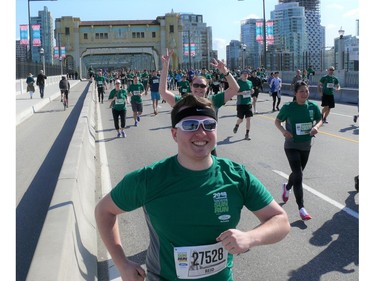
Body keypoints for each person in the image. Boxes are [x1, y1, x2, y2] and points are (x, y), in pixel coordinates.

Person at [95, 94, 290, 281]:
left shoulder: (237, 176)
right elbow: (104, 211)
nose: (201, 132)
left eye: (208, 125)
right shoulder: (149, 179)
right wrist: (122, 264)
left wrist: (250, 238)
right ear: (174, 134)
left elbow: (281, 221)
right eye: (190, 125)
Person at [159, 48, 240, 155]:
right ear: (191, 87)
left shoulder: (214, 100)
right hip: (189, 147)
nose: (199, 88)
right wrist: (165, 67)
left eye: (203, 86)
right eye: (196, 85)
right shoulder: (184, 101)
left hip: (209, 147)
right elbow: (163, 92)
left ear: (207, 88)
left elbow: (235, 88)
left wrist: (225, 71)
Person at [275, 81, 323, 220]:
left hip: (306, 146)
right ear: (295, 93)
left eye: (306, 91)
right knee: (299, 174)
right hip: (291, 145)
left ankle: (287, 186)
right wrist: (284, 131)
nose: (304, 94)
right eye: (301, 91)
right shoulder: (289, 107)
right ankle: (301, 208)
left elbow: (320, 119)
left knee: (298, 173)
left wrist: (317, 127)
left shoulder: (312, 106)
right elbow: (277, 121)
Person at [232, 70, 254, 140]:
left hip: (248, 103)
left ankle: (247, 134)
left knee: (248, 119)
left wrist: (252, 91)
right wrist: (241, 93)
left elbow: (251, 90)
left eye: (247, 73)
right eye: (244, 73)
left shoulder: (250, 82)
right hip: (241, 104)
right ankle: (236, 125)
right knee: (241, 119)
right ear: (241, 75)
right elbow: (234, 93)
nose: (245, 75)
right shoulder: (238, 82)